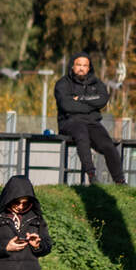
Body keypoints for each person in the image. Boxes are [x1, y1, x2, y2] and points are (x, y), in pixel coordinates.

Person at [54, 52, 124, 185]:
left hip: (92, 123)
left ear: (89, 67)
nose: (81, 68)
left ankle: (120, 181)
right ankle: (91, 175)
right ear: (72, 66)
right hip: (69, 122)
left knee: (108, 145)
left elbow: (103, 100)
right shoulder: (62, 84)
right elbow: (67, 105)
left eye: (85, 65)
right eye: (78, 65)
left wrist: (80, 99)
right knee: (82, 134)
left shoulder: (96, 83)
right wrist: (91, 106)